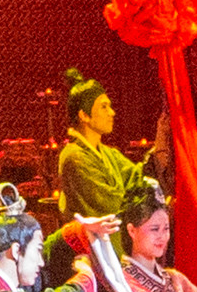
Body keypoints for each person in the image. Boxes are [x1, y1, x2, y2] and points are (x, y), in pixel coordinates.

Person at [58, 68, 145, 223]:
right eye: (104, 107)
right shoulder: (74, 158)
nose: (112, 112)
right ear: (84, 115)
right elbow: (111, 204)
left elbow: (138, 177)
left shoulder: (109, 153)